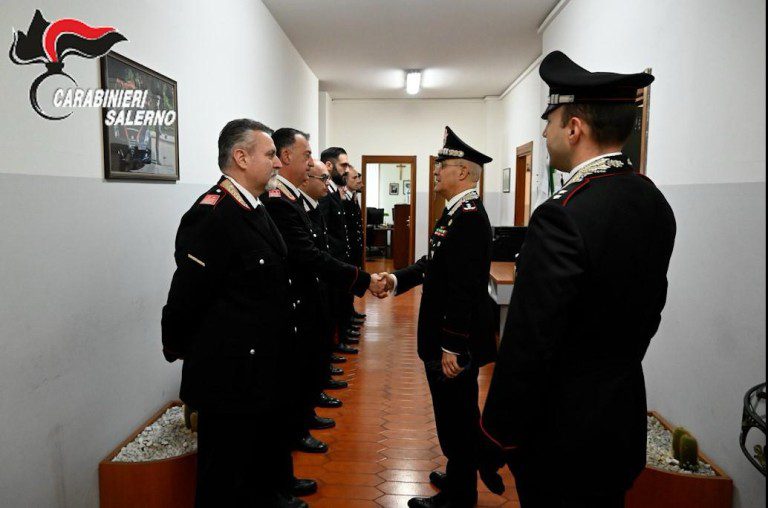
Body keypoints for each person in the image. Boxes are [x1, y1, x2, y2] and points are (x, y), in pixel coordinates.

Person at [480, 51, 677, 508]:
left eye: (549, 120)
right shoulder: (653, 200)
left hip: (562, 432)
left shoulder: (565, 213)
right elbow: (650, 311)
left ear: (574, 127)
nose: (545, 133)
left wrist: (496, 434)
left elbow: (531, 340)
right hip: (618, 418)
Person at [161, 119, 305, 508]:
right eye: (271, 154)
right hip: (229, 376)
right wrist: (181, 350)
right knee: (223, 478)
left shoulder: (256, 208)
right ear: (241, 157)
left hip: (260, 369)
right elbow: (186, 297)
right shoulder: (213, 214)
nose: (278, 163)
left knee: (254, 464)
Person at [378, 127, 500, 508]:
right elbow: (436, 265)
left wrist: (451, 344)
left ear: (462, 172)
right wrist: (398, 278)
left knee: (457, 417)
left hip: (453, 341)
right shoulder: (455, 212)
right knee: (453, 413)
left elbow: (463, 288)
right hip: (447, 335)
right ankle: (462, 470)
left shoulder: (468, 217)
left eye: (442, 165)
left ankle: (461, 493)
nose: (436, 171)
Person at [262, 129, 385, 460]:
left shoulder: (291, 200)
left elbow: (319, 245)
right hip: (294, 304)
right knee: (295, 375)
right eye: (306, 157)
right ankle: (296, 430)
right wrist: (362, 279)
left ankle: (302, 422)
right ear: (287, 158)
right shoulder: (278, 203)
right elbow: (308, 253)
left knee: (305, 368)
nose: (318, 168)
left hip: (311, 294)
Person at [318, 147, 360, 354]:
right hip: (333, 262)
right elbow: (325, 232)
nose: (346, 170)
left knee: (341, 302)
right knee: (334, 307)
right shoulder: (326, 195)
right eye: (343, 165)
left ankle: (340, 337)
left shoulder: (335, 192)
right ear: (328, 165)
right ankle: (335, 343)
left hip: (341, 260)